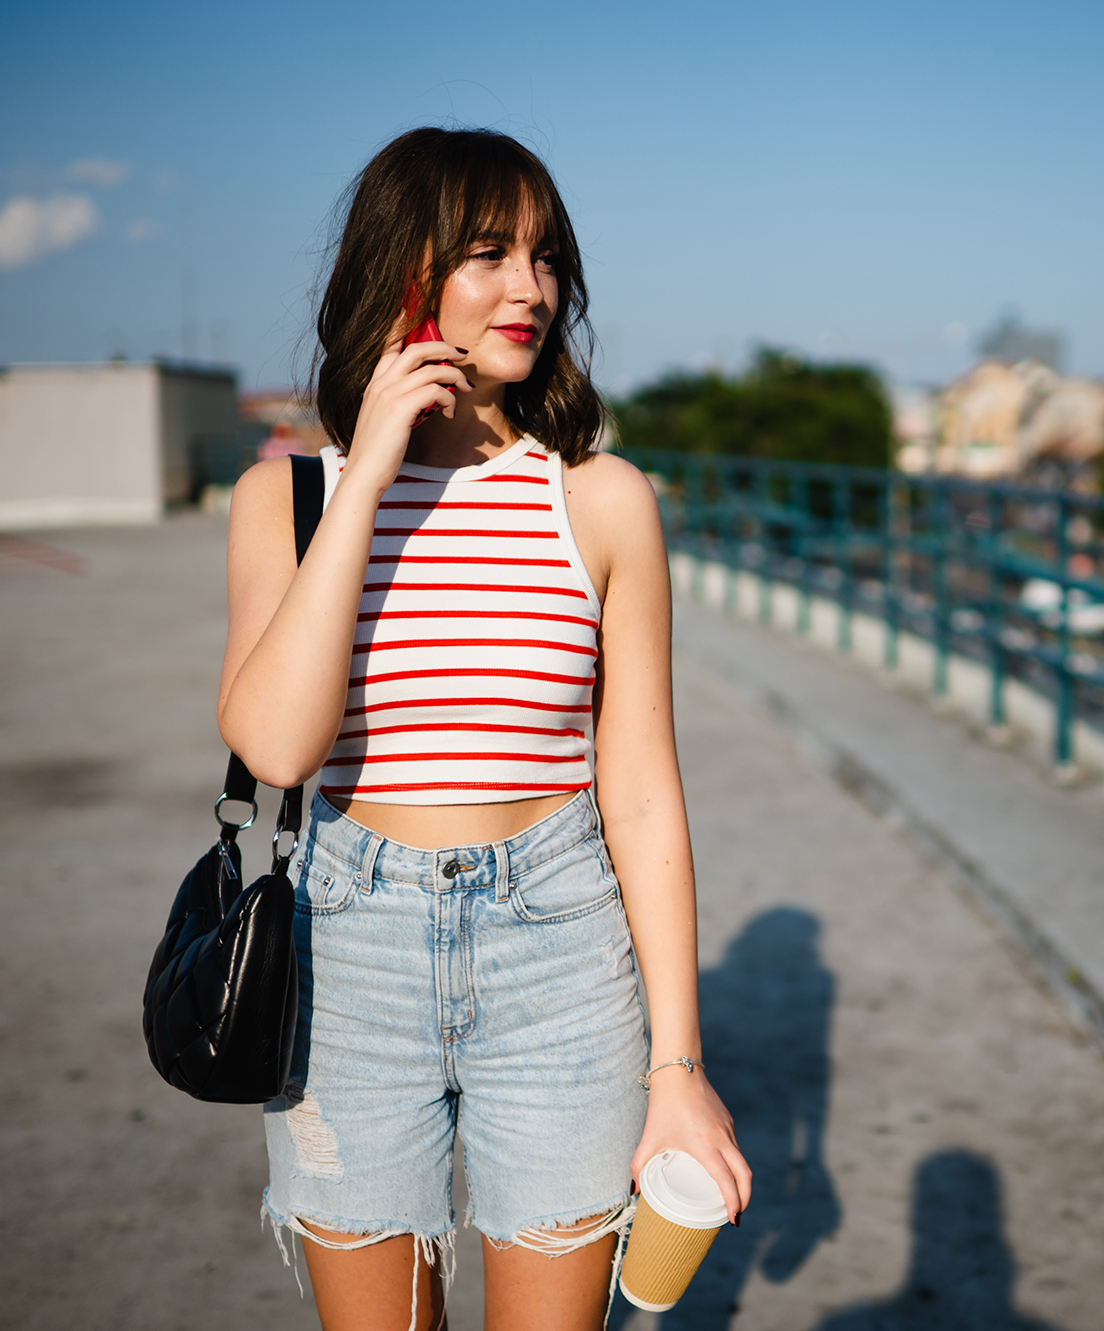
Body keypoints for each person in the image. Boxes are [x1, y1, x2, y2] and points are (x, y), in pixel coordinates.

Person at [218, 126, 750, 1331]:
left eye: (546, 256)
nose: (532, 286)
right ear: (403, 271)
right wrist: (365, 472)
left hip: (558, 949)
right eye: (488, 252)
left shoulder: (600, 500)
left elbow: (644, 790)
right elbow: (277, 748)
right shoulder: (287, 499)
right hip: (347, 950)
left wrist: (679, 1066)